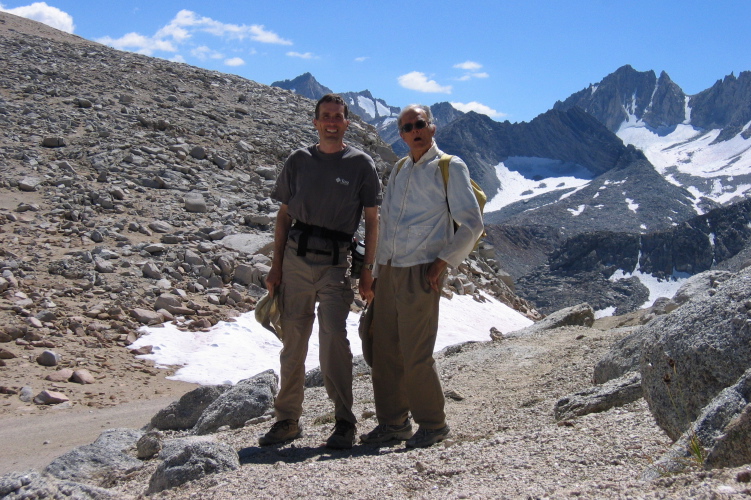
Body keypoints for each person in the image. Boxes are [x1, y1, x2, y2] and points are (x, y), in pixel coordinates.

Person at [260, 94, 381, 449]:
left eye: (338, 117)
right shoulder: (299, 160)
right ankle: (287, 420)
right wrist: (275, 266)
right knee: (293, 341)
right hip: (296, 261)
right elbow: (284, 215)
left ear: (347, 123)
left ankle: (344, 420)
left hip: (336, 263)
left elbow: (373, 221)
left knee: (333, 341)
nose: (332, 122)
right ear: (315, 122)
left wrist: (367, 272)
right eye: (325, 116)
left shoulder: (361, 164)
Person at [361, 104, 484, 448]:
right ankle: (393, 423)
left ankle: (432, 424)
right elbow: (386, 226)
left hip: (420, 271)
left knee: (416, 353)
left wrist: (442, 262)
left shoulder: (448, 166)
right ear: (399, 135)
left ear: (432, 127)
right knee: (383, 350)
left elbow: (472, 223)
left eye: (418, 124)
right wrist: (373, 273)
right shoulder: (400, 168)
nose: (412, 131)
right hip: (389, 271)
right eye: (405, 128)